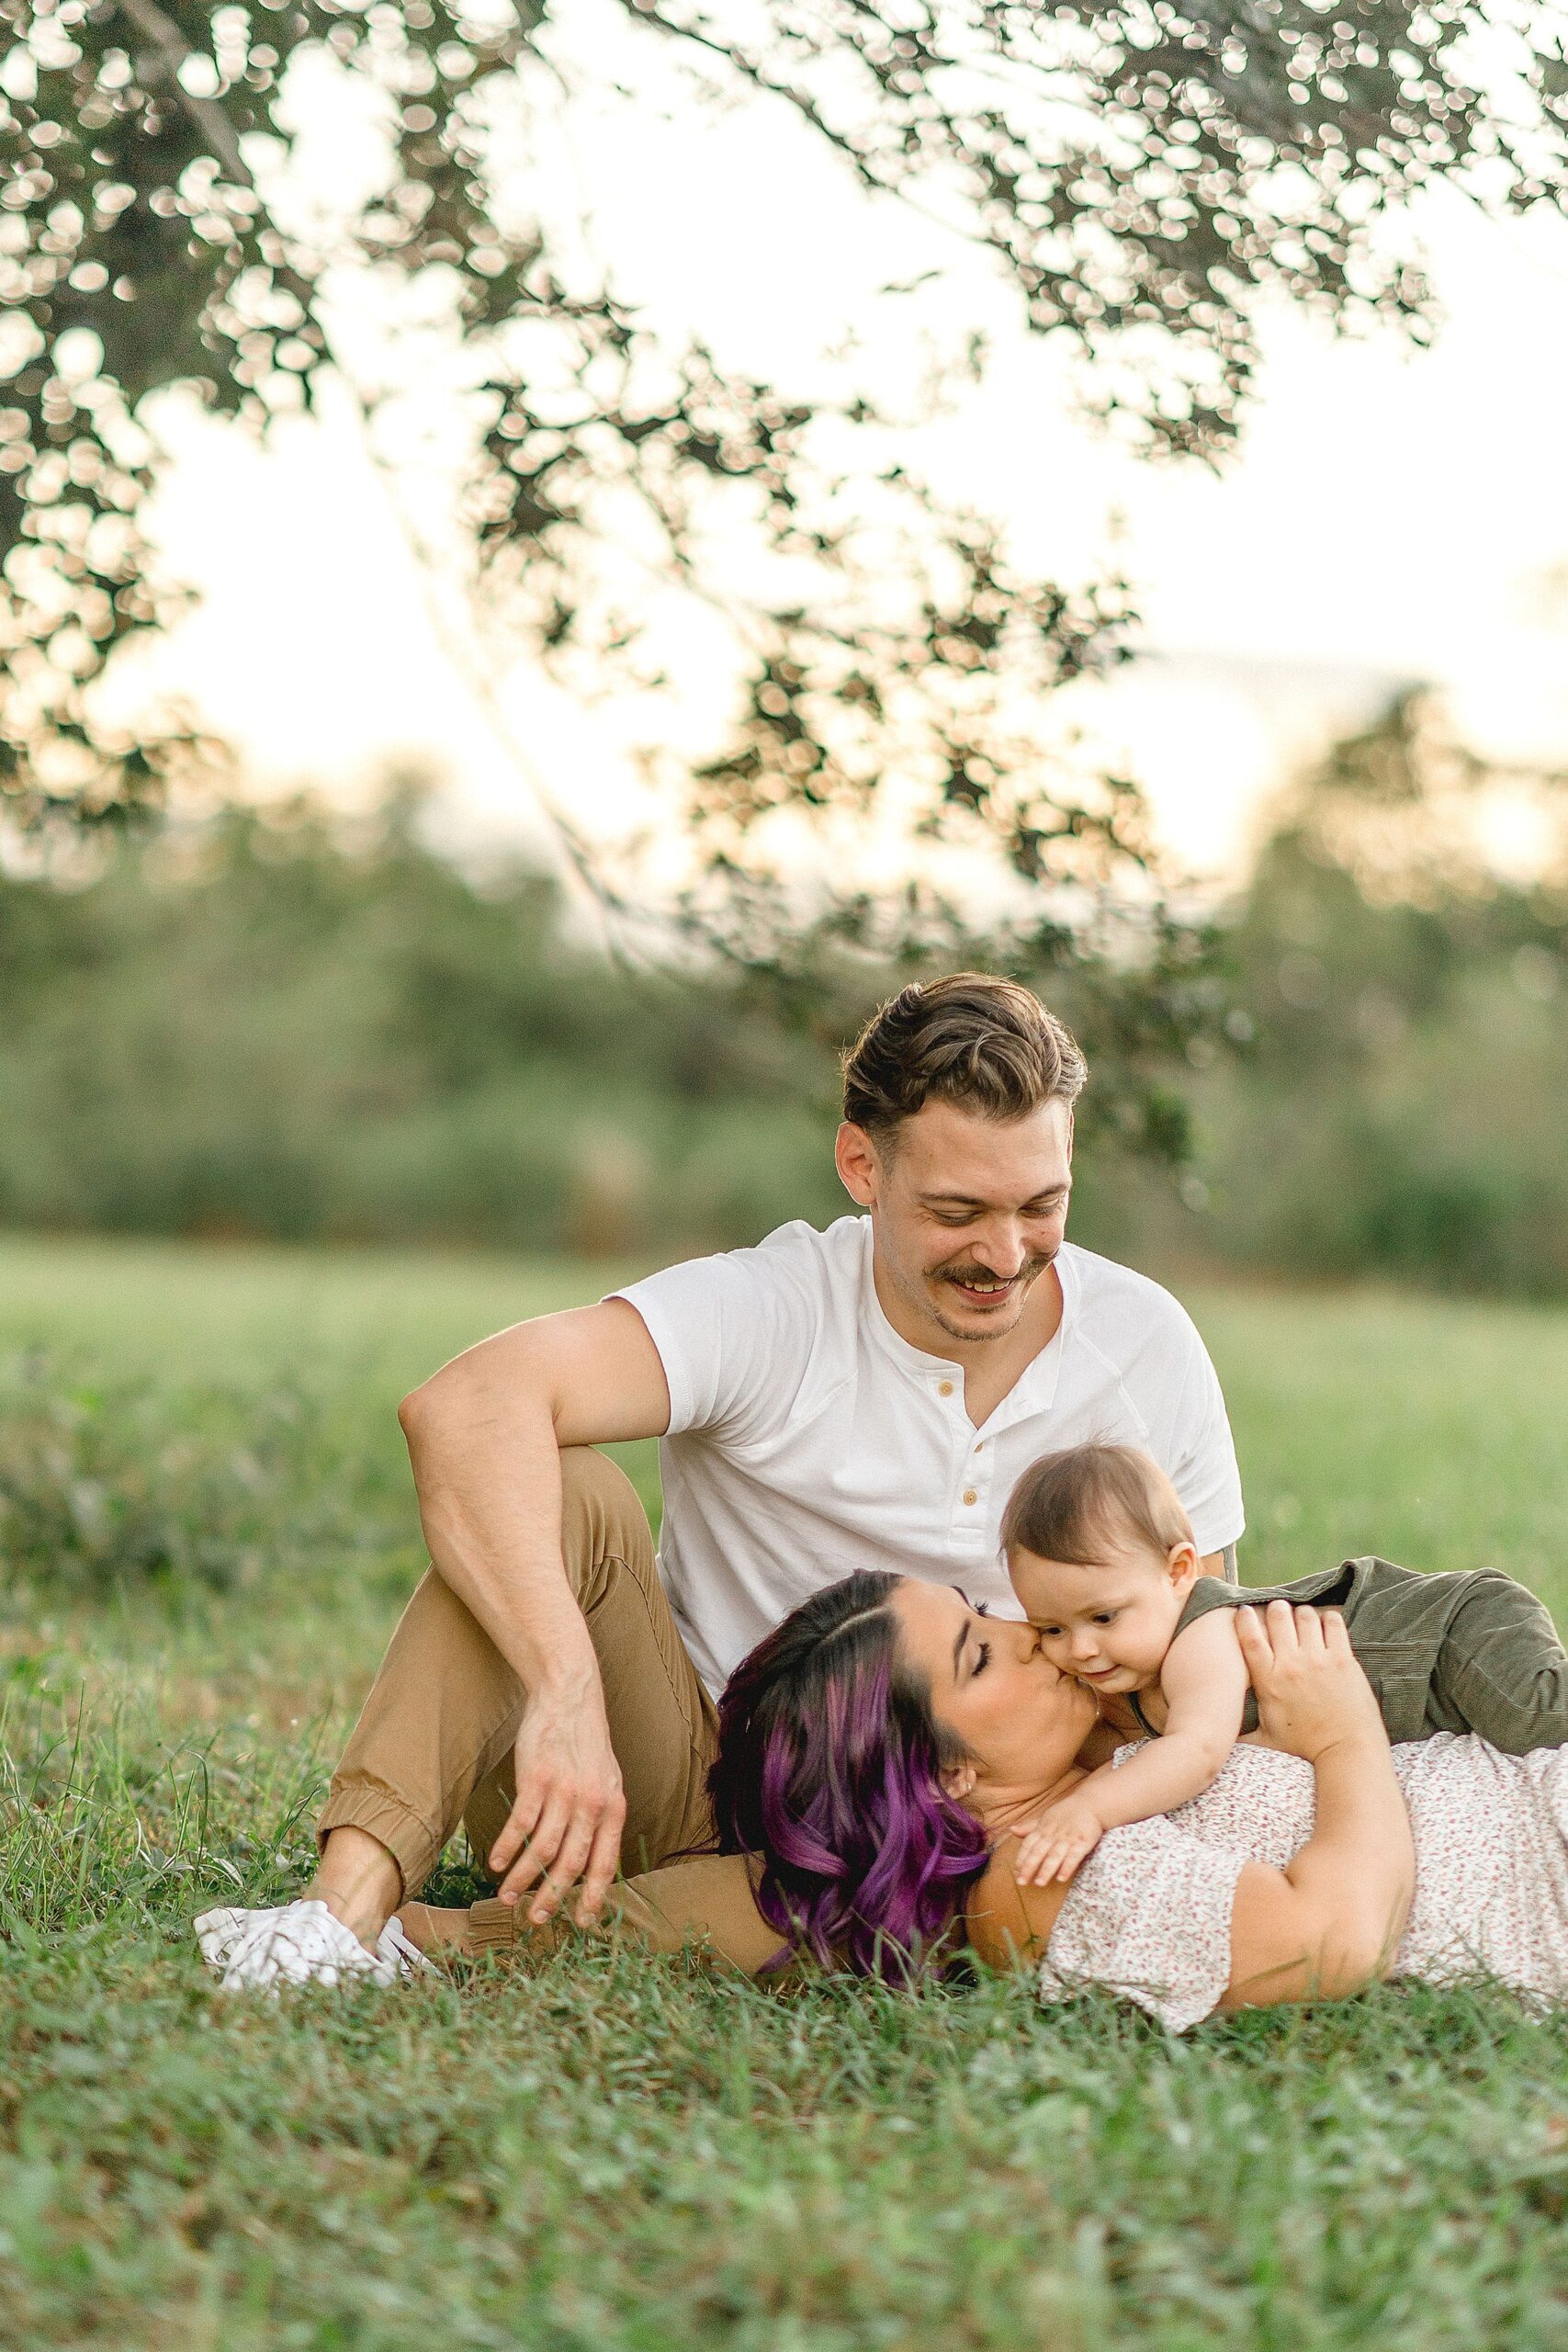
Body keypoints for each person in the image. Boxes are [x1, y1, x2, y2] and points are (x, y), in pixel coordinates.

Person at [197, 973, 1245, 1991]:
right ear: (860, 1165)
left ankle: (473, 1941)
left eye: (1040, 1205)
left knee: (866, 1898)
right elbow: (469, 1406)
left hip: (951, 1828)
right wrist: (564, 1692)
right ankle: (335, 1920)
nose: (1005, 1253)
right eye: (958, 1208)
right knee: (565, 1492)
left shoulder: (1144, 1343)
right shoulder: (775, 1307)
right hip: (669, 1777)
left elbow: (1192, 1634)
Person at [705, 1573, 1568, 2031]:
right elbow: (1332, 1947)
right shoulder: (1033, 1877)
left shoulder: (1085, 1761)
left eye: (978, 1610)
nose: (1023, 1633)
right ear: (942, 1777)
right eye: (980, 1656)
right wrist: (1343, 1732)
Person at [999, 1442, 1568, 1887]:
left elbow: (1196, 1753)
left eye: (1102, 1618)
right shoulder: (1128, 1673)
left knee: (1540, 1721)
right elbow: (1123, 1751)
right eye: (1052, 1629)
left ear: (1178, 1573)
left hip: (1453, 1634)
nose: (1079, 1650)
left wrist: (1092, 1810)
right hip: (1425, 1695)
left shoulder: (1200, 1638)